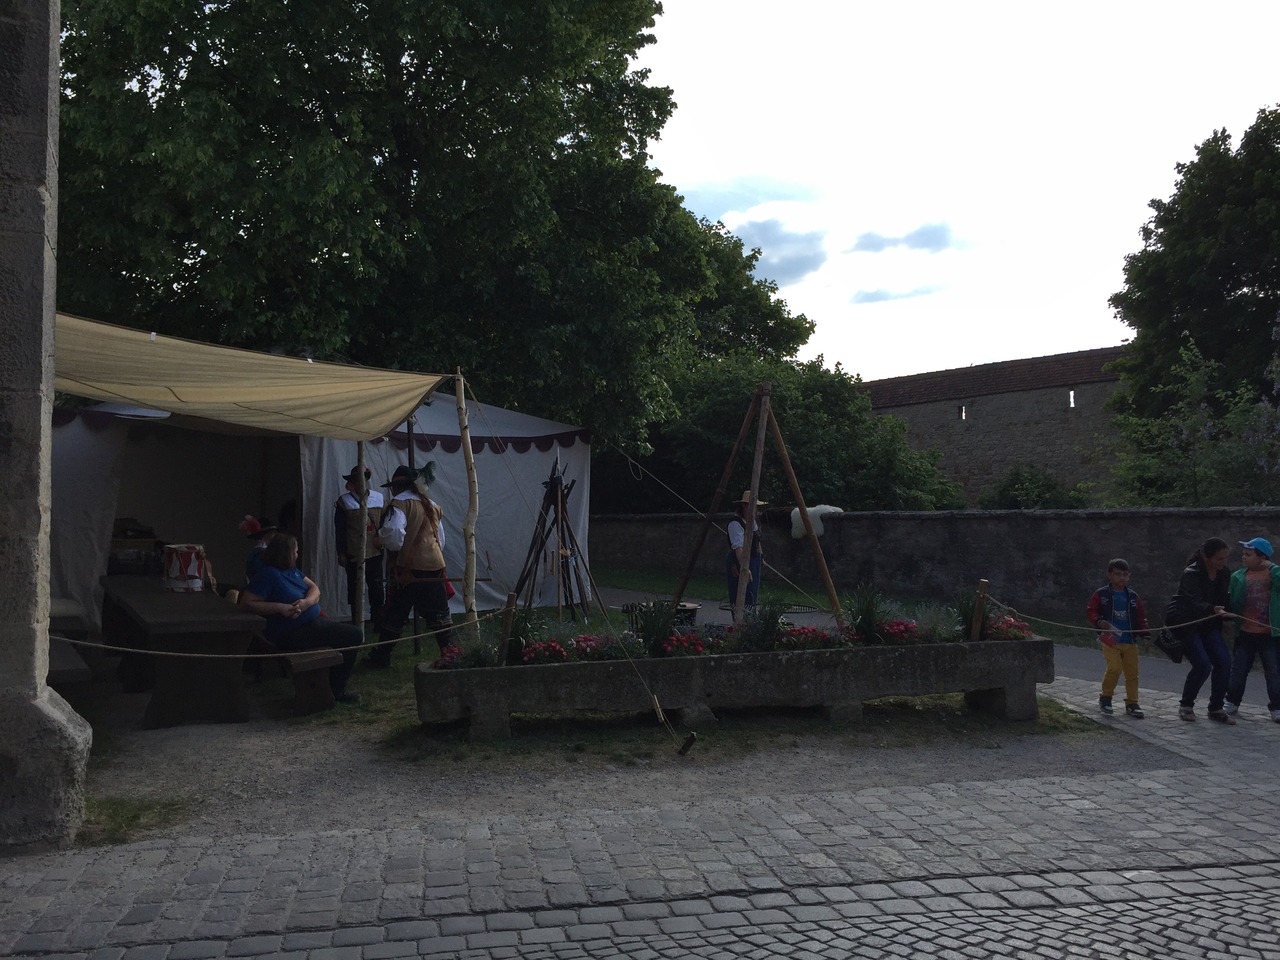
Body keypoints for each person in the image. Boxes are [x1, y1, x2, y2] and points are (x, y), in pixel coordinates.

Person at [238, 534, 362, 704]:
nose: (297, 555)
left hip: (311, 622)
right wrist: (280, 608)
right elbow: (246, 603)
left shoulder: (292, 571)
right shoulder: (268, 575)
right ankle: (336, 690)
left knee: (345, 634)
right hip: (291, 632)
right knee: (354, 635)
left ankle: (332, 686)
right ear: (285, 553)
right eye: (295, 551)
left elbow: (315, 588)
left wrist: (306, 603)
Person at [373, 465, 454, 666]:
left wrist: (379, 539)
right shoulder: (432, 505)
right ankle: (451, 655)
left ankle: (382, 657)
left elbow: (394, 537)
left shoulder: (399, 504)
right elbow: (441, 540)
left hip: (409, 570)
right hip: (435, 566)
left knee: (395, 613)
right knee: (440, 615)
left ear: (399, 486)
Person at [1172, 536, 1236, 723]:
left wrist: (1228, 615)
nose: (1223, 562)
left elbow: (1225, 598)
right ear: (1207, 557)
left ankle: (1216, 708)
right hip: (1188, 625)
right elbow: (1193, 602)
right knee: (1202, 664)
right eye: (1219, 558)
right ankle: (1186, 705)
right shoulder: (1191, 573)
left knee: (1224, 662)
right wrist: (1213, 609)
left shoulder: (1224, 573)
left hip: (1209, 625)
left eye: (1225, 558)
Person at [1224, 537, 1280, 722]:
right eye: (1243, 554)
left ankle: (1277, 706)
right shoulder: (1238, 576)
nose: (1244, 557)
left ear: (1262, 557)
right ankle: (1232, 701)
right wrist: (1229, 617)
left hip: (1270, 633)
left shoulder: (1274, 574)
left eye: (1248, 555)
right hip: (1245, 631)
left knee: (1273, 670)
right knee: (1239, 669)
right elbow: (1230, 599)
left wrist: (1272, 568)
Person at [1087, 558, 1149, 719]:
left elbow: (1141, 617)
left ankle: (1132, 703)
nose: (1121, 578)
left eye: (1125, 574)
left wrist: (1145, 635)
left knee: (1132, 673)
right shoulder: (1101, 594)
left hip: (1130, 641)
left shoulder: (1133, 597)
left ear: (1129, 576)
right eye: (1117, 574)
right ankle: (1106, 697)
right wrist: (1099, 621)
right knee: (1114, 668)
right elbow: (1091, 610)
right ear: (1109, 575)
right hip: (1110, 640)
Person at [333, 465, 385, 626]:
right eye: (356, 479)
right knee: (355, 589)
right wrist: (341, 552)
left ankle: (378, 621)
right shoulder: (344, 501)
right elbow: (340, 529)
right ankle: (357, 621)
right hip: (353, 551)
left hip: (375, 551)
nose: (360, 482)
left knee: (376, 588)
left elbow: (384, 524)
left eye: (363, 478)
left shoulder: (378, 498)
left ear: (367, 479)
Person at [726, 490, 766, 608]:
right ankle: (740, 618)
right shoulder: (735, 524)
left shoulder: (752, 521)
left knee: (752, 594)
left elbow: (757, 540)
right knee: (741, 594)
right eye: (752, 506)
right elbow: (739, 548)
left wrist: (761, 556)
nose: (756, 510)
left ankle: (751, 617)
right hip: (739, 561)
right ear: (744, 506)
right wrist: (745, 567)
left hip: (754, 560)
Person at [239, 515, 277, 582]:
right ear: (266, 535)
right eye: (272, 533)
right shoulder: (259, 554)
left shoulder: (259, 552)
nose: (275, 536)